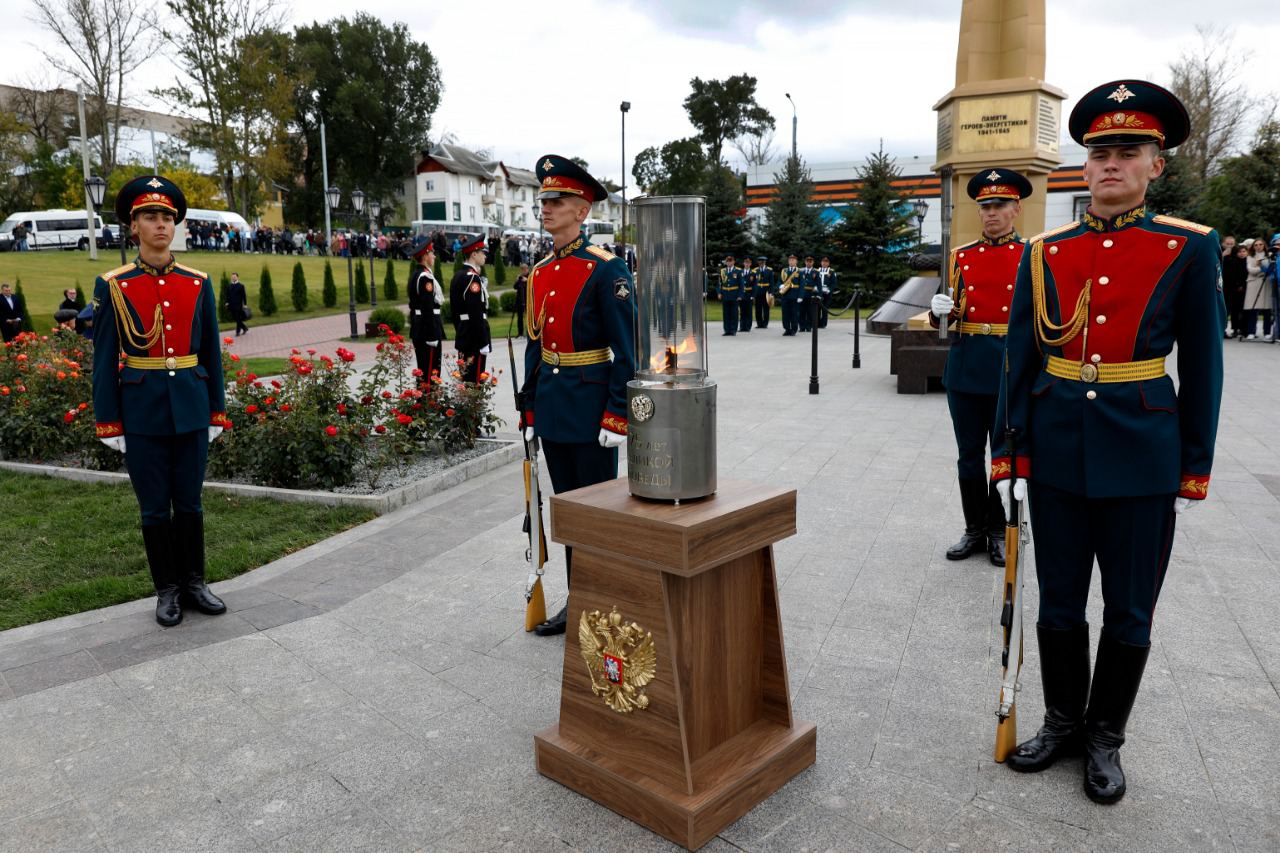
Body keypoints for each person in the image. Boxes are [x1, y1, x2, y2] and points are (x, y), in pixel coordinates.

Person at [994, 80, 1223, 804]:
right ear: (1084, 166)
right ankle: (1063, 721)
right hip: (1057, 450)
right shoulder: (1045, 251)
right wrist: (1008, 454)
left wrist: (1193, 468)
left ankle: (1105, 737)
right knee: (1059, 602)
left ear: (1157, 165)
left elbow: (1204, 368)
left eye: (1129, 152)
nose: (1111, 165)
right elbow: (1019, 359)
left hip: (1143, 454)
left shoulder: (1189, 247)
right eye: (1099, 154)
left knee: (1129, 609)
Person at [92, 174, 231, 627]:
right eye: (150, 216)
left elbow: (210, 351)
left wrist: (216, 410)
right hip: (142, 413)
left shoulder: (197, 282)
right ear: (133, 226)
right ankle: (167, 590)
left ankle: (194, 583)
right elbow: (103, 358)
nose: (160, 224)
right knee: (154, 507)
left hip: (191, 407)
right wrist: (109, 421)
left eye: (167, 217)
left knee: (190, 503)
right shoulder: (114, 285)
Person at [518, 154, 637, 637]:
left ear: (582, 211)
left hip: (591, 413)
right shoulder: (541, 272)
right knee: (567, 512)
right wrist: (529, 409)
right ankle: (580, 601)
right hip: (552, 407)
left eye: (558, 200)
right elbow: (535, 347)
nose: (546, 207)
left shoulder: (607, 270)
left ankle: (606, 604)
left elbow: (627, 351)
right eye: (544, 200)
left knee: (597, 516)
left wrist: (617, 415)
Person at [929, 167, 1033, 568]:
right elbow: (948, 314)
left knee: (1004, 454)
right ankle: (973, 528)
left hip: (1009, 366)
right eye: (985, 206)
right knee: (968, 454)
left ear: (1016, 209)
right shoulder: (961, 256)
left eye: (999, 205)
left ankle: (997, 530)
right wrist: (940, 311)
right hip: (967, 365)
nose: (991, 213)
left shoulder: (1032, 255)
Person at [450, 234, 491, 383]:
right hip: (475, 338)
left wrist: (461, 329)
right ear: (474, 254)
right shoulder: (472, 278)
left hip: (464, 333)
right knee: (475, 383)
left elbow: (455, 311)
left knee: (466, 380)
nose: (485, 256)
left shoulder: (458, 275)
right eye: (482, 252)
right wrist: (483, 341)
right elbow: (475, 312)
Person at [406, 236, 444, 380]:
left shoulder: (416, 275)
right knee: (431, 373)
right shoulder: (425, 277)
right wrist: (431, 334)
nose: (434, 256)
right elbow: (427, 307)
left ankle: (424, 395)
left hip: (420, 326)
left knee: (424, 371)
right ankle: (428, 396)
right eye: (431, 253)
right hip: (427, 329)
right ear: (425, 256)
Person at [1242, 237, 1273, 340]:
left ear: (1264, 245)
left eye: (1260, 244)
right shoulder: (1250, 256)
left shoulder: (1269, 255)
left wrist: (1260, 267)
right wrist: (1261, 268)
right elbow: (1250, 270)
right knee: (1253, 309)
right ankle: (1251, 331)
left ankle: (1267, 332)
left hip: (1266, 283)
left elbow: (1270, 269)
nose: (1258, 246)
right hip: (1253, 283)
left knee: (1267, 309)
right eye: (1256, 245)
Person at [1222, 242, 1248, 339]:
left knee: (1243, 310)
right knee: (1233, 310)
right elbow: (1231, 275)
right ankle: (1235, 329)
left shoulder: (1247, 261)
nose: (1241, 253)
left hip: (1245, 288)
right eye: (1239, 252)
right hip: (1232, 289)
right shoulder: (1232, 261)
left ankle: (1244, 329)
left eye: (1243, 251)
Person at [718, 254, 743, 335]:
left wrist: (740, 295)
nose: (729, 263)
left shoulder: (738, 271)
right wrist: (719, 292)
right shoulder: (723, 271)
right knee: (726, 313)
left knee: (734, 313)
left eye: (730, 261)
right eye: (727, 261)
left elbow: (741, 284)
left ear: (733, 262)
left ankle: (733, 330)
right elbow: (720, 283)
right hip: (725, 294)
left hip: (734, 294)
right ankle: (727, 330)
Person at [779, 254, 801, 335]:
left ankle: (794, 329)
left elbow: (802, 285)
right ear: (788, 261)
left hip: (795, 295)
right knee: (785, 313)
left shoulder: (799, 271)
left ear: (796, 261)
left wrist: (800, 296)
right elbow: (779, 281)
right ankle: (787, 329)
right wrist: (780, 285)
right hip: (785, 295)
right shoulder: (784, 271)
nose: (791, 261)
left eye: (793, 260)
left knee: (794, 313)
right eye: (790, 260)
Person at [798, 255, 819, 332]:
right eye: (807, 261)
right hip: (802, 293)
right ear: (805, 262)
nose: (809, 263)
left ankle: (809, 326)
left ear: (813, 262)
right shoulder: (800, 271)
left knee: (810, 311)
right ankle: (802, 327)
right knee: (801, 311)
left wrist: (819, 294)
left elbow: (818, 283)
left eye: (810, 262)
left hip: (811, 293)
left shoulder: (816, 272)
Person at [817, 256, 838, 329]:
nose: (824, 263)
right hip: (819, 292)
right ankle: (817, 323)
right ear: (821, 263)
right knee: (817, 308)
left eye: (826, 262)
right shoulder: (817, 270)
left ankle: (823, 324)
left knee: (825, 309)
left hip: (827, 293)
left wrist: (829, 290)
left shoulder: (831, 271)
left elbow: (834, 283)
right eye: (823, 262)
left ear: (828, 263)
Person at [754, 255, 773, 329]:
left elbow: (771, 282)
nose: (762, 263)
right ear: (758, 262)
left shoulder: (769, 270)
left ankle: (765, 324)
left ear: (765, 262)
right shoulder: (755, 270)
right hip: (758, 291)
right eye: (760, 261)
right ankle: (759, 324)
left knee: (766, 308)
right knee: (758, 309)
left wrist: (771, 292)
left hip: (766, 291)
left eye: (763, 261)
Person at [227, 272, 249, 336]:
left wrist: (245, 304)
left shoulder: (241, 286)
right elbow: (228, 295)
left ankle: (237, 332)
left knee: (238, 318)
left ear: (237, 277)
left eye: (234, 277)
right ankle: (244, 328)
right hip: (231, 305)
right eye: (232, 277)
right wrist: (227, 302)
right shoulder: (229, 286)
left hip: (238, 305)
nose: (233, 278)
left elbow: (244, 296)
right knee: (236, 319)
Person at [513, 263, 529, 338]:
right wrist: (517, 280)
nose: (524, 271)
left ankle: (529, 332)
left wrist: (527, 280)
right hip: (520, 300)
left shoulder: (530, 276)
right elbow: (515, 287)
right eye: (522, 270)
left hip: (527, 299)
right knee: (519, 317)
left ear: (527, 269)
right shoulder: (520, 277)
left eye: (525, 269)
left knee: (528, 317)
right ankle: (520, 333)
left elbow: (534, 285)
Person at [739, 257, 755, 333]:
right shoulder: (740, 272)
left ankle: (748, 326)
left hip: (749, 293)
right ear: (743, 263)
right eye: (746, 263)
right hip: (742, 294)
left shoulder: (753, 273)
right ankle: (742, 327)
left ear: (750, 264)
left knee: (748, 311)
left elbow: (755, 285)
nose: (747, 264)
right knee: (742, 311)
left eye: (748, 263)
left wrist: (753, 295)